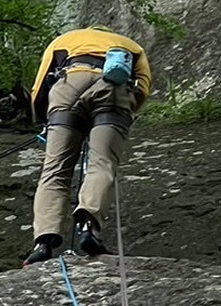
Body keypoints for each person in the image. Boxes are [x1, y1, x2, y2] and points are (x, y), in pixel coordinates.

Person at [23, 25, 152, 266]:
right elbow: (143, 86)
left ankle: (44, 242)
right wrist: (125, 112)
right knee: (102, 163)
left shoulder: (64, 40)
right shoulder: (131, 46)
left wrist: (45, 119)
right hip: (113, 89)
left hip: (68, 86)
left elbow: (39, 86)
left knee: (55, 171)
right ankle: (89, 228)